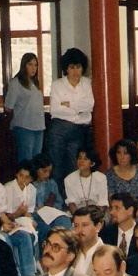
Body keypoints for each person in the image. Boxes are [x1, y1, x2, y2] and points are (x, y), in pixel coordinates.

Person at [47, 48, 94, 189]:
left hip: (79, 130)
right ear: (66, 68)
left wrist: (69, 104)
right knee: (56, 167)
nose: (75, 71)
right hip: (59, 130)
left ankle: (72, 201)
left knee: (74, 167)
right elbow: (54, 110)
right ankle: (58, 201)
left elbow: (90, 105)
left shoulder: (87, 83)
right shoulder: (57, 85)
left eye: (78, 67)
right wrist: (78, 111)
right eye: (72, 67)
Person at [4, 52, 45, 163]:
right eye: (30, 64)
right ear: (24, 65)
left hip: (39, 126)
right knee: (26, 160)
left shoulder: (35, 82)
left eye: (36, 65)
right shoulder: (16, 82)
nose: (33, 68)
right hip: (24, 126)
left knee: (37, 160)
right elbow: (8, 106)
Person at [105, 139, 138, 218]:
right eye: (119, 153)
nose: (122, 157)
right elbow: (111, 199)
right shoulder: (110, 174)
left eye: (126, 153)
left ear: (132, 155)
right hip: (118, 210)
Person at [64, 147, 108, 215]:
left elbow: (103, 203)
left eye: (85, 159)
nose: (81, 161)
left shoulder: (101, 178)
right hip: (78, 212)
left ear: (92, 163)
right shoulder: (69, 179)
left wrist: (95, 217)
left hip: (97, 212)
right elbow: (71, 203)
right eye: (79, 158)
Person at [101, 192, 138, 259]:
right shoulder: (105, 233)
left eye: (117, 208)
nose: (111, 212)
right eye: (111, 208)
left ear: (130, 210)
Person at [72, 206, 106, 276]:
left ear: (98, 227)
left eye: (84, 225)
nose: (79, 230)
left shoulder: (107, 254)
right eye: (76, 226)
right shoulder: (71, 253)